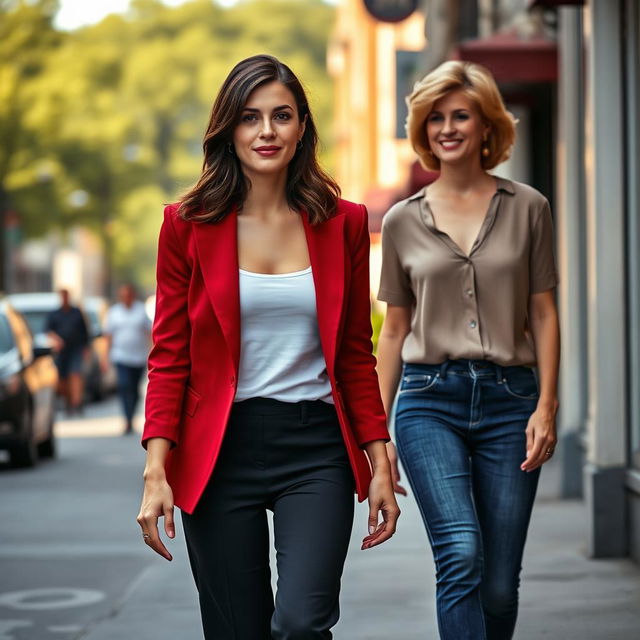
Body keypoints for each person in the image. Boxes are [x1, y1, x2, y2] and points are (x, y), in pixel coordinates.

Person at [136, 54, 400, 639]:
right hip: (219, 449)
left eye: (281, 116)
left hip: (316, 448)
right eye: (250, 117)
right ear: (229, 128)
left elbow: (355, 353)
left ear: (302, 126)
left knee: (303, 623)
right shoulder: (186, 224)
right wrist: (156, 468)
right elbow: (169, 355)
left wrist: (379, 457)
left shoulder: (345, 223)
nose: (266, 131)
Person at [376, 60, 560, 640]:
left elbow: (544, 313)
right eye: (436, 119)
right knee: (460, 553)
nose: (447, 128)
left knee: (500, 583)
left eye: (461, 116)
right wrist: (376, 436)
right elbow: (393, 330)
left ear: (487, 127)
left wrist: (546, 408)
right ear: (423, 129)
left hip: (512, 400)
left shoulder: (528, 206)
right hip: (429, 401)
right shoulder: (404, 220)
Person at [103, 283, 152, 434]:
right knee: (124, 386)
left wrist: (153, 351)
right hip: (120, 356)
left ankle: (131, 415)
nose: (126, 298)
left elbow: (149, 332)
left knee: (134, 388)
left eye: (128, 295)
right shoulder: (114, 312)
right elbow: (108, 336)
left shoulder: (140, 311)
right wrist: (105, 357)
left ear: (132, 295)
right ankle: (127, 419)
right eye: (123, 295)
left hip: (138, 357)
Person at [46, 288, 90, 415]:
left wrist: (86, 348)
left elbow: (85, 331)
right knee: (63, 379)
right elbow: (48, 331)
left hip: (76, 348)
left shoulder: (76, 312)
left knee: (75, 374)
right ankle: (68, 401)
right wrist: (56, 339)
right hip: (61, 351)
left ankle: (77, 402)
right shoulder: (54, 314)